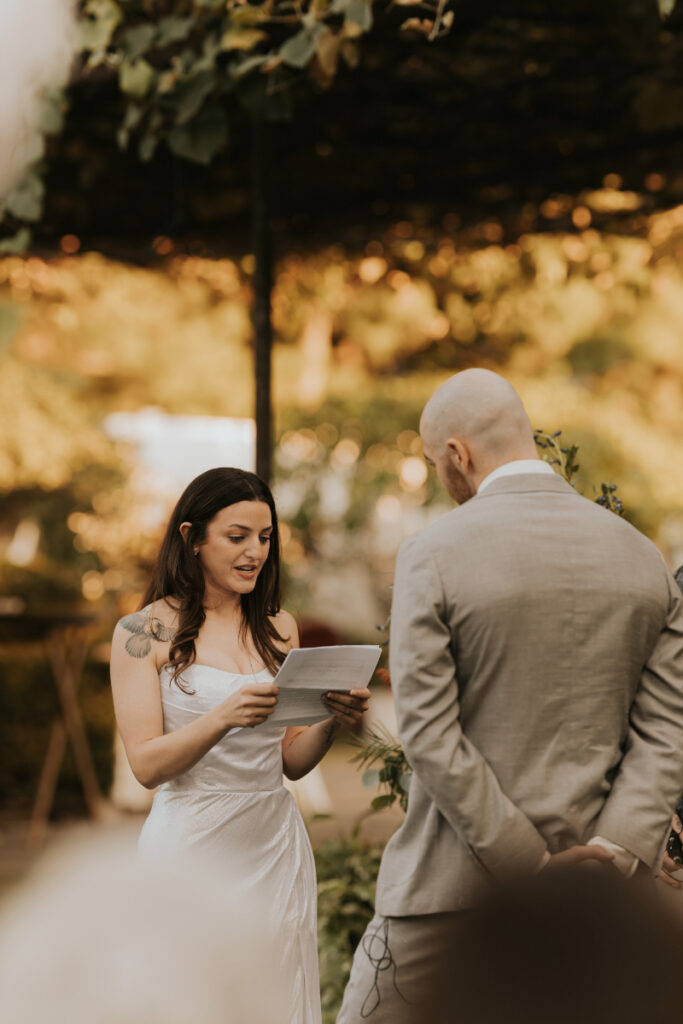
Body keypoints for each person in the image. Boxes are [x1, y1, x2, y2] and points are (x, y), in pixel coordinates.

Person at [338, 368, 683, 1024]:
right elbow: (667, 726)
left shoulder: (432, 553)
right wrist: (609, 855)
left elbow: (429, 734)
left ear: (457, 455)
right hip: (604, 910)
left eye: (432, 463)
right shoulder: (641, 556)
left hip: (447, 899)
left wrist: (530, 866)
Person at [110, 467, 370, 1024]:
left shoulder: (281, 628)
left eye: (266, 537)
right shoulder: (141, 633)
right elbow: (145, 766)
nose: (256, 551)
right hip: (191, 845)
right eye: (238, 537)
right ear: (192, 538)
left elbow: (291, 762)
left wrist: (331, 721)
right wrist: (220, 719)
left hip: (274, 841)